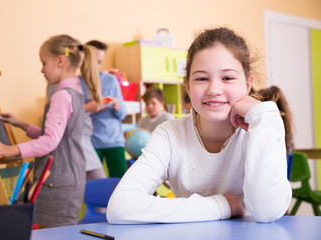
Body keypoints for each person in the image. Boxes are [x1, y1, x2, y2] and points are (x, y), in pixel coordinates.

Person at [106, 27, 292, 224]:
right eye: (201, 78)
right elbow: (120, 207)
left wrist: (264, 115)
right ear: (187, 86)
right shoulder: (170, 134)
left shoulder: (261, 129)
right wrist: (221, 206)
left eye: (227, 78)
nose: (213, 89)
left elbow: (267, 211)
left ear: (247, 84)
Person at [0, 34, 91, 227]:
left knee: (54, 234)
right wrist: (22, 124)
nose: (41, 70)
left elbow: (50, 141)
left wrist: (11, 149)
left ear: (60, 61)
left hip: (59, 181)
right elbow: (59, 136)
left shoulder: (61, 96)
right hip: (69, 177)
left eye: (43, 63)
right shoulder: (76, 92)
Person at [46, 45, 106, 181]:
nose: (43, 70)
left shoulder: (70, 84)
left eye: (45, 63)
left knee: (98, 189)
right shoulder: (63, 86)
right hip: (74, 141)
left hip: (79, 140)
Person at [81, 40, 128, 178]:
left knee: (120, 183)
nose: (97, 66)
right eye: (94, 61)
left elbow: (122, 113)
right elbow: (72, 114)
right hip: (91, 142)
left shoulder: (111, 81)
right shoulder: (77, 83)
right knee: (92, 185)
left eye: (100, 62)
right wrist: (88, 108)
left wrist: (118, 108)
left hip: (114, 140)